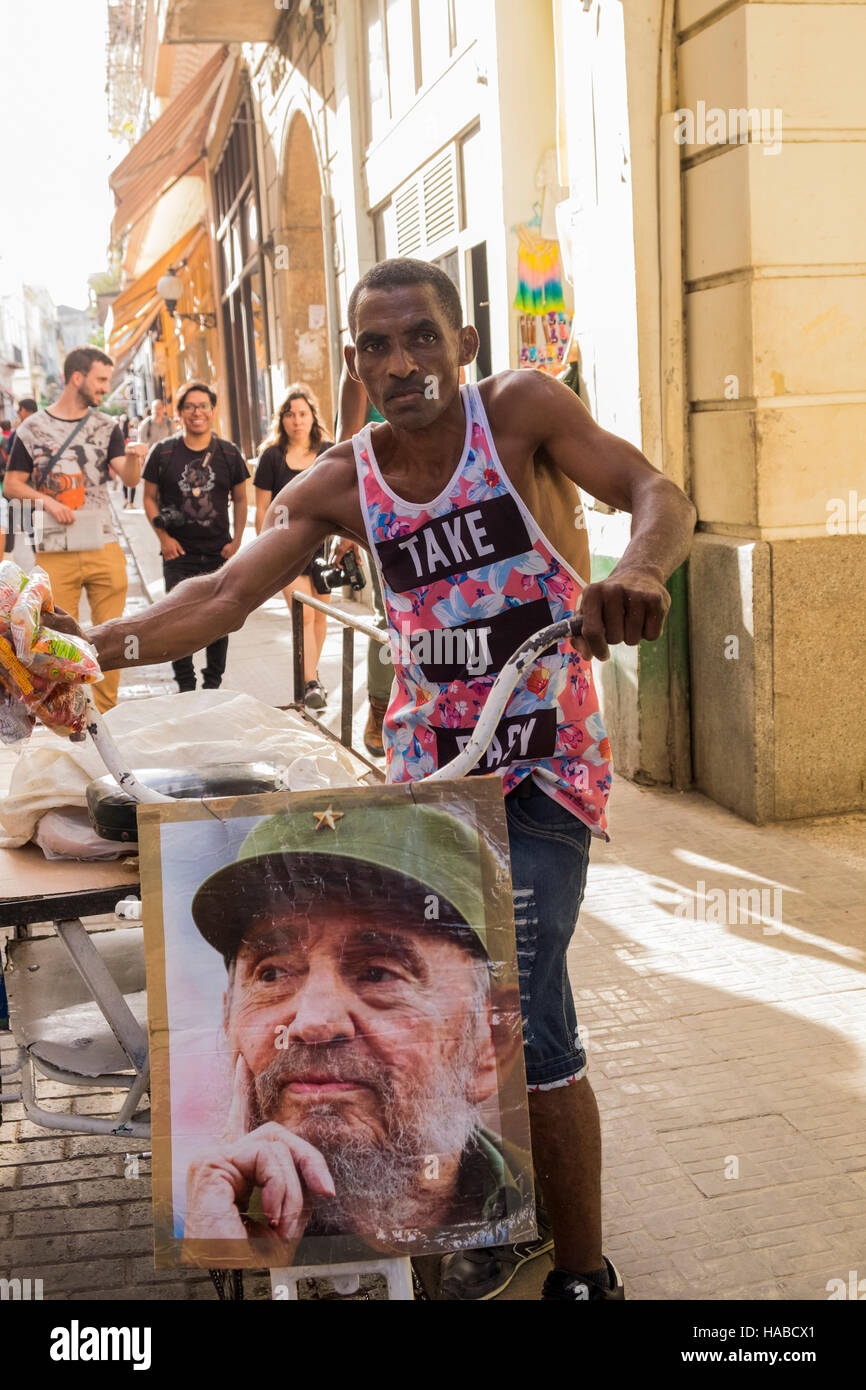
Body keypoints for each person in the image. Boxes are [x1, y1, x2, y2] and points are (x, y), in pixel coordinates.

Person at [73, 256, 696, 1300]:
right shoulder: (342, 481)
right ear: (355, 365)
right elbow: (219, 598)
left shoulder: (518, 413)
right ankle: (494, 1213)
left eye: (421, 337)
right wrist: (82, 653)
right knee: (442, 1010)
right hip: (431, 788)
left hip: (541, 767)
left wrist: (638, 565)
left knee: (519, 997)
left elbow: (654, 491)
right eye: (376, 346)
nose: (402, 363)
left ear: (459, 342)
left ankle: (584, 1276)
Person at [182, 802, 531, 1256]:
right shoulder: (198, 1215)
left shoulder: (545, 1224)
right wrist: (222, 1255)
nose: (313, 1023)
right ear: (228, 1020)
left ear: (491, 1041)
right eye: (272, 974)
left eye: (379, 972)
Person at [3, 348, 141, 712]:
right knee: (59, 644)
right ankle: (73, 719)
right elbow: (12, 485)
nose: (104, 388)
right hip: (55, 551)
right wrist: (48, 502)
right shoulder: (31, 429)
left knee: (112, 635)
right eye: (100, 380)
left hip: (104, 545)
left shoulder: (107, 427)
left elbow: (127, 477)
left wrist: (136, 457)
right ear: (77, 377)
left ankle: (108, 716)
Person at [141, 379, 248, 693]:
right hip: (178, 554)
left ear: (212, 411)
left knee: (220, 620)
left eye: (203, 405)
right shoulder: (163, 452)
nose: (196, 412)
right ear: (179, 413)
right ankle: (186, 687)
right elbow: (148, 497)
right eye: (189, 406)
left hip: (220, 553)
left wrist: (238, 540)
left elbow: (241, 499)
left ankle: (212, 684)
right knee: (177, 622)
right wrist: (163, 538)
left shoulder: (229, 453)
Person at [254, 383, 332, 711]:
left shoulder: (329, 451)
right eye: (290, 414)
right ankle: (310, 682)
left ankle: (310, 676)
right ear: (281, 420)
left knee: (321, 615)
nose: (297, 421)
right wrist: (264, 550)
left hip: (323, 547)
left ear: (313, 417)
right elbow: (262, 508)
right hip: (287, 548)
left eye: (303, 414)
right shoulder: (272, 456)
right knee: (304, 615)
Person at [334, 368, 389, 751]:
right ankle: (380, 707)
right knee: (391, 616)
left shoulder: (440, 345)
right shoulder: (361, 369)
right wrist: (344, 529)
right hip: (384, 509)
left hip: (445, 502)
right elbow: (346, 448)